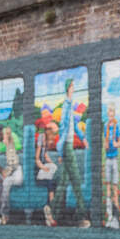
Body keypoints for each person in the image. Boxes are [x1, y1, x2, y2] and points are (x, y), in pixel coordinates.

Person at [52, 79, 90, 227]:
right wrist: (62, 151)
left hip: (68, 147)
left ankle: (52, 211)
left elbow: (74, 125)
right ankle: (81, 216)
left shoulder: (70, 103)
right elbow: (63, 127)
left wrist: (83, 139)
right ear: (68, 88)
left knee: (63, 182)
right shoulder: (66, 105)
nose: (74, 88)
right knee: (76, 182)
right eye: (73, 86)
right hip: (67, 147)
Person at [0, 128, 21, 225]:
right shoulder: (7, 147)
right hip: (13, 172)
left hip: (17, 173)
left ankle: (4, 213)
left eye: (5, 137)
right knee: (4, 183)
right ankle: (4, 213)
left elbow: (13, 165)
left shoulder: (11, 145)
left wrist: (6, 172)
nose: (3, 140)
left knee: (5, 183)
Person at [104, 103, 120, 228]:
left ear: (114, 114)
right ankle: (109, 215)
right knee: (108, 187)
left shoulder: (117, 126)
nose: (110, 114)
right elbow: (105, 140)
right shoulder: (106, 126)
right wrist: (106, 145)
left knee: (115, 187)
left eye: (112, 112)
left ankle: (116, 217)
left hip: (114, 158)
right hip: (107, 158)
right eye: (109, 112)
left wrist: (117, 144)